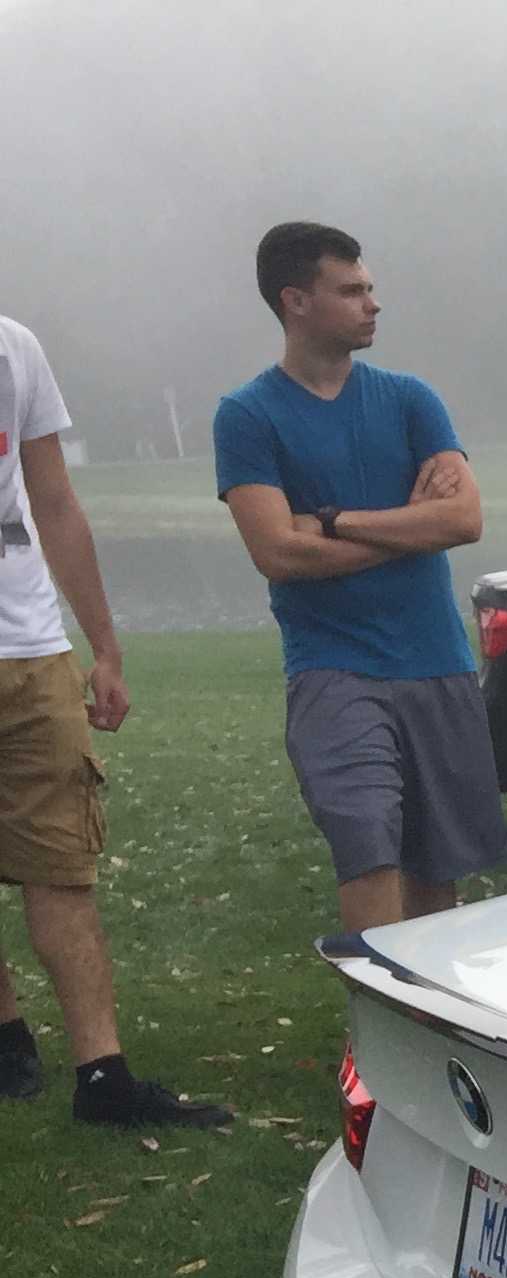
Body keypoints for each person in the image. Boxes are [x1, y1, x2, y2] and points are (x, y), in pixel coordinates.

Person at [214, 222, 507, 937]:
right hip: (333, 673)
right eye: (351, 291)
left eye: (370, 288)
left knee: (436, 874)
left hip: (436, 663)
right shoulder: (248, 416)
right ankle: (371, 1036)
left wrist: (337, 520)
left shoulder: (411, 400)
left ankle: (430, 1022)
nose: (372, 304)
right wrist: (408, 525)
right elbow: (279, 554)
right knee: (367, 843)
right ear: (296, 301)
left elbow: (464, 519)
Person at [0, 314, 229, 1128]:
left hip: (28, 647)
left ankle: (103, 1076)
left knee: (60, 858)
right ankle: (6, 1032)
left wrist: (102, 645)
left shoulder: (15, 347)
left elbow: (54, 502)